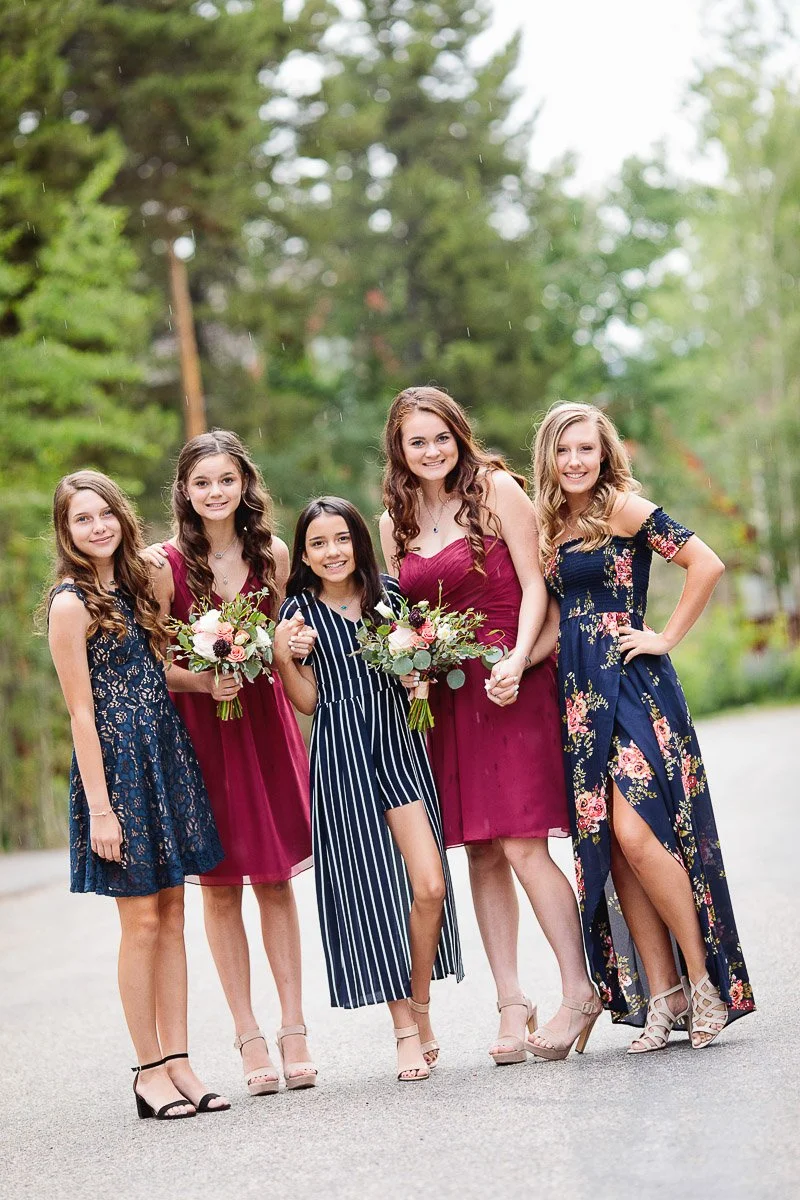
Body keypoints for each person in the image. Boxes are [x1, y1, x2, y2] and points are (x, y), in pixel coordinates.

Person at [381, 387, 601, 1065]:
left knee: (522, 843)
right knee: (478, 847)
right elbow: (402, 615)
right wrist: (407, 661)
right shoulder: (396, 521)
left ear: (459, 434)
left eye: (441, 436)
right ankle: (511, 1000)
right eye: (417, 441)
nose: (432, 451)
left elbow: (538, 586)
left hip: (511, 680)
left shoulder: (497, 489)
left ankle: (579, 991)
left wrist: (516, 658)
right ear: (400, 449)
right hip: (445, 700)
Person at [532, 400, 755, 1052]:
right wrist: (513, 665)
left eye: (586, 449)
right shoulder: (551, 525)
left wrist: (665, 637)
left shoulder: (622, 508)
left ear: (604, 455)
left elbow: (705, 562)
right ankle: (664, 997)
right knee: (612, 848)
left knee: (637, 833)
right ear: (549, 457)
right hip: (576, 699)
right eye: (564, 450)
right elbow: (551, 619)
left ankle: (702, 979)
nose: (575, 461)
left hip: (632, 688)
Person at [47, 470, 228, 1120]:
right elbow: (80, 715)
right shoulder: (70, 606)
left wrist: (211, 684)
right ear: (66, 533)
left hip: (165, 756)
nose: (97, 527)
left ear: (120, 518)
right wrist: (101, 807)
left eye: (104, 514)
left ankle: (181, 1059)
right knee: (142, 922)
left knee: (175, 915)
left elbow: (159, 668)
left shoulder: (138, 586)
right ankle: (148, 1070)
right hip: (118, 771)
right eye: (81, 519)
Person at [147, 431, 317, 1093]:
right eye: (202, 482)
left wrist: (287, 646)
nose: (215, 492)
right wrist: (201, 681)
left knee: (274, 878)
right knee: (220, 886)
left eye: (226, 480)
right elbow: (157, 665)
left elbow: (286, 643)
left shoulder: (271, 556)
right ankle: (247, 1034)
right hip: (203, 735)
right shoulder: (162, 566)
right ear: (185, 493)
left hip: (264, 727)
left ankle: (294, 1025)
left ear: (244, 484)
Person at [274, 496, 463, 1082]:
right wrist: (285, 658)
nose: (332, 552)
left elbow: (419, 680)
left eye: (340, 539)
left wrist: (420, 677)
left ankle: (423, 1003)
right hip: (341, 754)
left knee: (428, 883)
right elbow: (307, 703)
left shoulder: (390, 598)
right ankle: (406, 1029)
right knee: (375, 894)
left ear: (357, 539)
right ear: (304, 555)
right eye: (317, 544)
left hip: (399, 744)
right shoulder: (298, 614)